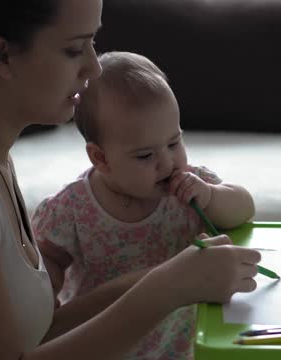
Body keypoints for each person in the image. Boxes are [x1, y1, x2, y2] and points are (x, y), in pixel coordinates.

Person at [0, 0, 262, 359]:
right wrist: (166, 290)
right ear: (1, 56)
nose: (93, 67)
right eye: (75, 48)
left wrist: (173, 276)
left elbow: (35, 336)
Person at [30, 51, 256, 359]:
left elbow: (244, 207)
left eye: (174, 143)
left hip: (182, 345)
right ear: (101, 158)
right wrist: (47, 287)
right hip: (111, 344)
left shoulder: (192, 186)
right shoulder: (73, 208)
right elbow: (46, 259)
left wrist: (210, 197)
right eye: (145, 155)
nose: (167, 163)